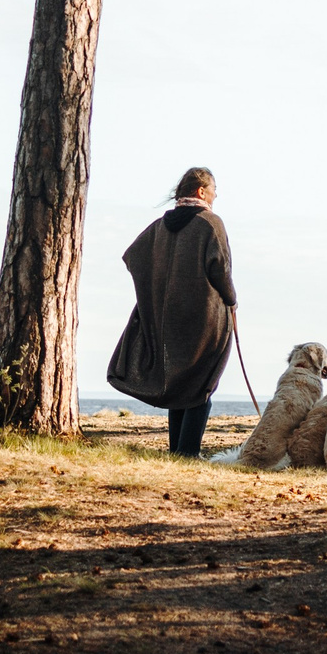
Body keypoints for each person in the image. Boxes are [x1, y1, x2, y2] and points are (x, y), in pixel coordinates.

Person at [105, 167, 237, 457]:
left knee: (181, 384)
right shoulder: (211, 223)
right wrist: (232, 300)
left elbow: (134, 257)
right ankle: (187, 453)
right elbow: (220, 269)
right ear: (201, 191)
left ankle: (179, 451)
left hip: (168, 320)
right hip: (204, 319)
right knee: (201, 386)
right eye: (214, 188)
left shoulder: (158, 227)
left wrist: (154, 294)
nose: (217, 194)